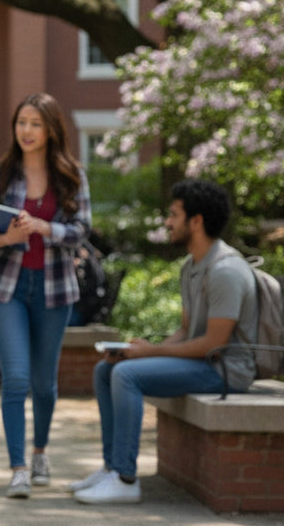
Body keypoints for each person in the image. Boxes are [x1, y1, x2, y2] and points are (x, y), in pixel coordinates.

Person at [72, 179, 258, 505]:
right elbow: (187, 332)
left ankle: (126, 479)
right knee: (107, 369)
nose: (167, 222)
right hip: (205, 362)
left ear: (196, 221)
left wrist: (150, 353)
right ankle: (112, 467)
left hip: (227, 370)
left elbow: (212, 343)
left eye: (173, 215)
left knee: (125, 375)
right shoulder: (192, 266)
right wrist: (138, 352)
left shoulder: (227, 270)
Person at [0, 92, 90, 498]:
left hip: (56, 289)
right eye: (21, 122)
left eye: (35, 123)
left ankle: (40, 451)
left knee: (43, 382)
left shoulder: (71, 174)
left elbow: (81, 231)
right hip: (7, 288)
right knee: (16, 377)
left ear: (51, 128)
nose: (26, 130)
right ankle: (18, 468)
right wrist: (8, 236)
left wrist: (43, 228)